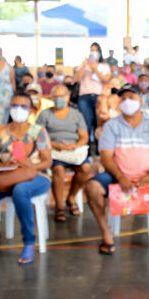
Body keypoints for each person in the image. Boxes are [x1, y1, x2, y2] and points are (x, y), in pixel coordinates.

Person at [84, 84, 149, 255]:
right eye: (123, 98)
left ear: (140, 100)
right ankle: (106, 232)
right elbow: (106, 157)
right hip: (118, 177)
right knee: (92, 187)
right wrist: (120, 176)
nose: (126, 102)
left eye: (131, 98)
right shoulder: (112, 126)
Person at [0, 93, 53, 264]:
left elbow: (47, 161)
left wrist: (29, 166)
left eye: (23, 106)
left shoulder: (38, 131)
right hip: (7, 175)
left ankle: (29, 241)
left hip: (35, 176)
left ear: (31, 110)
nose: (18, 110)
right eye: (15, 105)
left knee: (20, 191)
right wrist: (3, 165)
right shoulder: (1, 132)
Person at [37, 84, 91, 222]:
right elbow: (39, 136)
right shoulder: (45, 114)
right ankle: (59, 205)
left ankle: (71, 197)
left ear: (67, 97)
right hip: (54, 151)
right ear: (51, 98)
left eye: (62, 96)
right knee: (58, 170)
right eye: (56, 96)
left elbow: (84, 136)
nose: (59, 99)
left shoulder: (76, 114)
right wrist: (56, 145)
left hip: (74, 150)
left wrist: (75, 145)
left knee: (85, 168)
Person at [75, 42, 111, 142]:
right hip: (84, 96)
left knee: (98, 122)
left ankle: (99, 147)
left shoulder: (103, 65)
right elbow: (77, 79)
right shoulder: (84, 64)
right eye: (92, 50)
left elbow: (106, 79)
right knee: (86, 123)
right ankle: (88, 149)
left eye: (95, 50)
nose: (93, 52)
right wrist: (84, 66)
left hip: (98, 96)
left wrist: (95, 69)